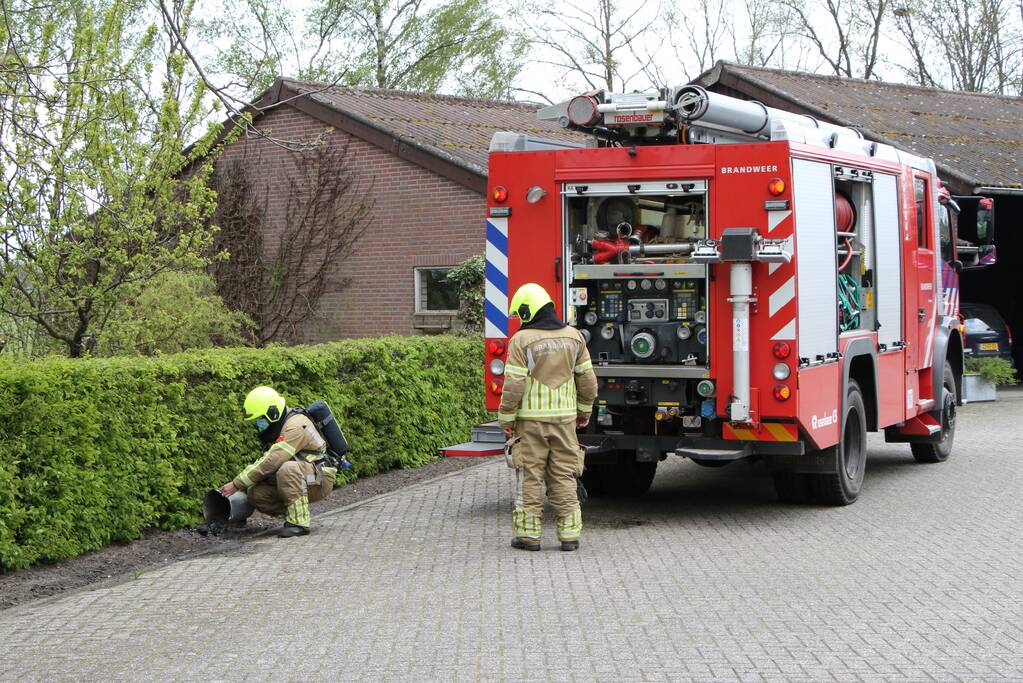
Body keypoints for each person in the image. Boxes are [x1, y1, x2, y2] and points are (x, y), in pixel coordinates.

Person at [498, 283, 598, 551]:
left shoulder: (521, 340)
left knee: (530, 475)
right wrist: (585, 410)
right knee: (564, 474)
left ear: (527, 310)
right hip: (565, 421)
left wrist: (506, 417)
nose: (520, 320)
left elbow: (514, 384)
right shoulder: (575, 337)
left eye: (520, 314)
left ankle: (529, 537)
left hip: (531, 423)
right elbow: (587, 379)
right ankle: (569, 536)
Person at [219, 386, 336, 538]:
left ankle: (299, 523)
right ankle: (295, 513)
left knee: (288, 470)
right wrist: (245, 486)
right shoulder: (282, 424)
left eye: (260, 419)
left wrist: (236, 483)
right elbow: (267, 462)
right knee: (255, 493)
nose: (258, 423)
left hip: (321, 477)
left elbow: (272, 461)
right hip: (305, 475)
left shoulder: (296, 425)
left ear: (272, 413)